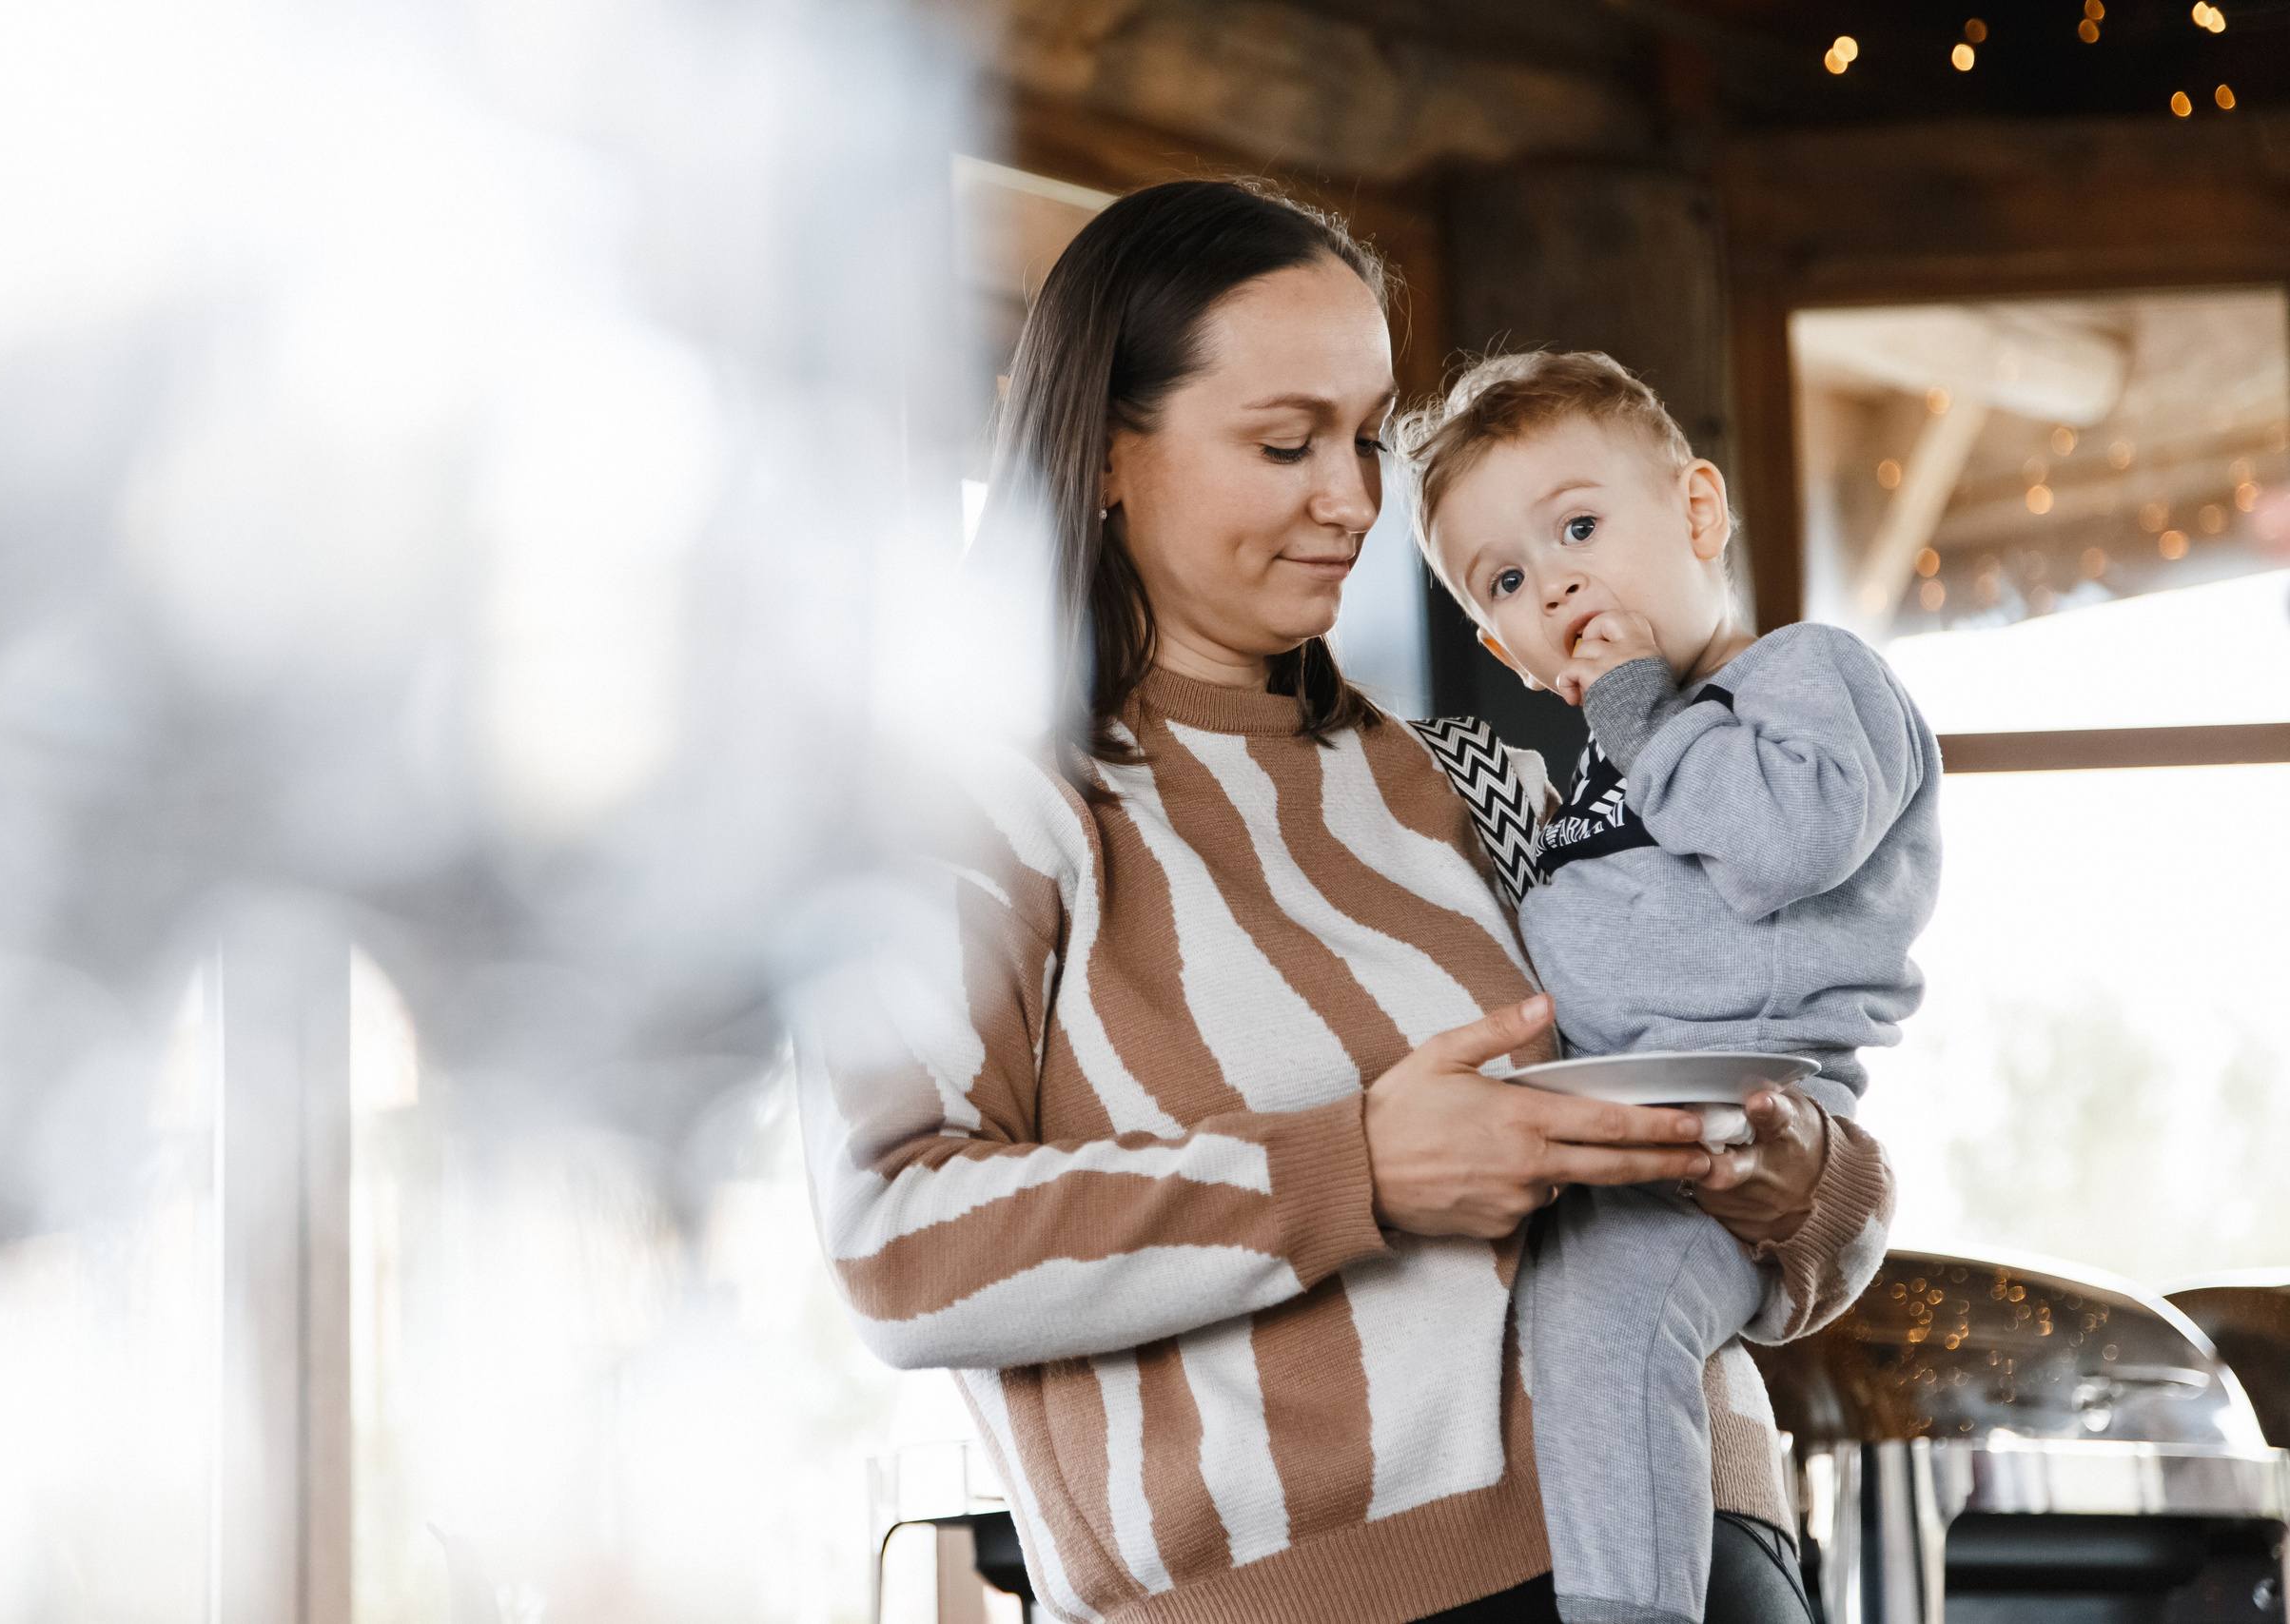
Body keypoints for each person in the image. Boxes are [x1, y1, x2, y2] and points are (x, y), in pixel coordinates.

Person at [796, 180, 1892, 1624]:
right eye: (1284, 441)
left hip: (1703, 1555)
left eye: (1367, 437)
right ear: (1108, 451)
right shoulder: (960, 807)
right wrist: (1356, 1170)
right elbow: (894, 1245)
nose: (1353, 500)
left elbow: (1830, 1192)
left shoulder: (1477, 781)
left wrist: (1792, 1170)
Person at [1399, 348, 1937, 1624]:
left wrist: (1642, 711)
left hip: (1724, 1134)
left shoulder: (1807, 676)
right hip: (1620, 1127)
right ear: (1505, 648)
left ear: (1698, 514)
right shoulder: (1603, 765)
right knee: (1571, 1333)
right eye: (1512, 581)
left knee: (1603, 1322)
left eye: (1580, 526)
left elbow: (1784, 845)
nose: (1562, 580)